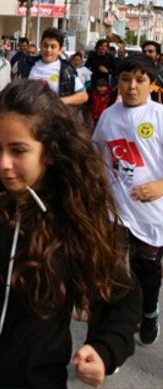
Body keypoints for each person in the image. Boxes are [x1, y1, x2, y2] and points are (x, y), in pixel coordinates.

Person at [0, 80, 140, 388]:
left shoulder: (78, 220)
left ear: (49, 151)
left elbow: (123, 301)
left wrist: (105, 350)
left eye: (18, 150)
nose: (3, 163)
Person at [93, 54, 163, 346]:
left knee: (146, 275)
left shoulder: (159, 116)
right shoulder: (110, 115)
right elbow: (98, 156)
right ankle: (110, 340)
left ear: (152, 85)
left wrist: (160, 186)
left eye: (140, 80)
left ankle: (149, 312)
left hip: (151, 215)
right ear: (117, 83)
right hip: (116, 213)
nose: (132, 86)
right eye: (125, 79)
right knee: (113, 277)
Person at [15, 27, 88, 107]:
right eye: (45, 45)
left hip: (55, 117)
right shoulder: (27, 64)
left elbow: (83, 96)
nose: (48, 50)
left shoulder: (66, 70)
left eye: (53, 47)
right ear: (40, 45)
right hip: (29, 115)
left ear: (60, 49)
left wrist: (58, 102)